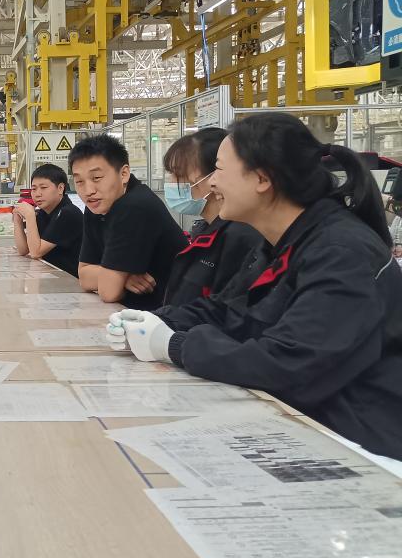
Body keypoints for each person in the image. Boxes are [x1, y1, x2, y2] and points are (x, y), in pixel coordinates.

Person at [108, 112, 402, 460]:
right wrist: (156, 320)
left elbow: (287, 363)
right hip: (304, 421)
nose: (213, 183)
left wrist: (174, 346)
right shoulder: (282, 244)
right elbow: (229, 310)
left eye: (219, 169)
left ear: (262, 178)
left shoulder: (342, 254)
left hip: (363, 446)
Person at [69, 134, 186, 308]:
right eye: (79, 181)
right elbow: (84, 276)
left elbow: (109, 292)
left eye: (97, 178)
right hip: (133, 309)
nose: (88, 191)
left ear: (124, 174)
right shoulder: (96, 206)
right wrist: (121, 278)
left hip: (166, 313)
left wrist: (112, 279)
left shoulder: (134, 206)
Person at [160, 128, 262, 306]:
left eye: (179, 174)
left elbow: (223, 310)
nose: (171, 182)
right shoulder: (204, 232)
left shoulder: (240, 238)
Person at [12, 163, 83, 277]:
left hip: (72, 280)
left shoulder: (67, 213)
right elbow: (23, 250)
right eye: (34, 189)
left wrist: (30, 216)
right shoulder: (44, 213)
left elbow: (36, 252)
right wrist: (17, 219)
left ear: (60, 188)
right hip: (54, 275)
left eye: (43, 188)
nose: (37, 194)